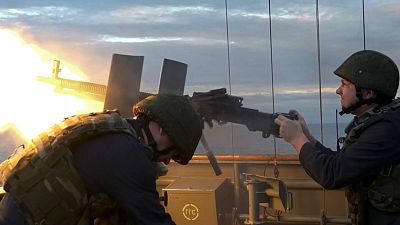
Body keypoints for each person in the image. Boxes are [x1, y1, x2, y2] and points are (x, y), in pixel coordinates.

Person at [0, 94, 203, 225]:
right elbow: (153, 220)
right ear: (161, 130)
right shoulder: (131, 156)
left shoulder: (112, 128)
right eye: (173, 153)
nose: (167, 161)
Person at [275, 50, 400, 225]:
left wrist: (296, 138)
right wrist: (307, 137)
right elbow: (343, 161)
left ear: (369, 93)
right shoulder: (380, 121)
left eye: (345, 84)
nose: (338, 90)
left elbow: (332, 174)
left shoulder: (386, 129)